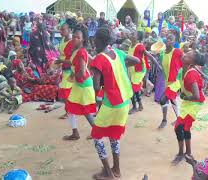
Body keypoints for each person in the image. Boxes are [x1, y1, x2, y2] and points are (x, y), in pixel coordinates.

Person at [90, 25, 140, 180]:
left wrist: (101, 77)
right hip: (125, 103)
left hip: (111, 103)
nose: (93, 43)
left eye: (95, 40)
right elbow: (137, 60)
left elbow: (96, 87)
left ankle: (108, 173)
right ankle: (116, 169)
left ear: (98, 41)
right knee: (114, 136)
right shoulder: (118, 52)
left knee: (97, 136)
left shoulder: (99, 58)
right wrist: (121, 67)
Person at [172, 50, 206, 165]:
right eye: (186, 53)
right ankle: (188, 152)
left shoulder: (191, 73)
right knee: (185, 127)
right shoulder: (185, 69)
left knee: (178, 127)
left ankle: (182, 153)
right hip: (190, 102)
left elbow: (196, 96)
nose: (184, 55)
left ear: (192, 61)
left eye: (188, 56)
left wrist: (185, 98)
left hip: (194, 103)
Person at [63, 24, 96, 140]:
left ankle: (95, 131)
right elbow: (75, 65)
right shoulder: (77, 50)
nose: (74, 39)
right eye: (74, 37)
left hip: (83, 84)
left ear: (83, 39)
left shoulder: (81, 52)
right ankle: (75, 132)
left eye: (77, 37)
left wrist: (73, 76)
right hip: (80, 83)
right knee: (70, 107)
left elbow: (82, 72)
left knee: (85, 110)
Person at [128, 30, 160, 114]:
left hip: (139, 70)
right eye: (131, 34)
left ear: (138, 37)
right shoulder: (130, 46)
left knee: (132, 88)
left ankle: (135, 106)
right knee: (134, 88)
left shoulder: (140, 46)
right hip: (133, 69)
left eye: (133, 34)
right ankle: (140, 105)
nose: (131, 35)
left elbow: (150, 56)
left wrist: (158, 65)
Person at [158, 34, 183, 129]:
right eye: (167, 38)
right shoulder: (162, 54)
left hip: (176, 81)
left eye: (171, 39)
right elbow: (162, 67)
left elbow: (186, 62)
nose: (168, 40)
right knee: (172, 100)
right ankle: (179, 118)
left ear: (174, 41)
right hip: (167, 81)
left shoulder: (177, 52)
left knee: (163, 99)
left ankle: (164, 120)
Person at [55, 22, 74, 119]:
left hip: (70, 70)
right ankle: (69, 111)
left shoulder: (72, 42)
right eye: (60, 29)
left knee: (67, 92)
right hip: (64, 68)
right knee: (67, 92)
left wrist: (60, 61)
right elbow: (61, 54)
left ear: (70, 30)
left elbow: (72, 60)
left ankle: (69, 112)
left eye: (63, 29)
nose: (61, 31)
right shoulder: (63, 39)